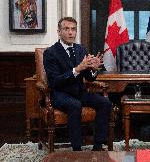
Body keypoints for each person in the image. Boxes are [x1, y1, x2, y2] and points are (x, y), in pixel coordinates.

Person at [43, 17, 112, 151]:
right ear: (59, 32)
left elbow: (89, 78)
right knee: (75, 105)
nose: (70, 33)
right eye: (66, 29)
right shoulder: (50, 53)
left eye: (73, 29)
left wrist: (93, 69)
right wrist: (76, 70)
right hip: (60, 94)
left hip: (79, 92)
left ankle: (98, 146)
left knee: (105, 103)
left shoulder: (81, 49)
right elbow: (55, 81)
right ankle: (77, 148)